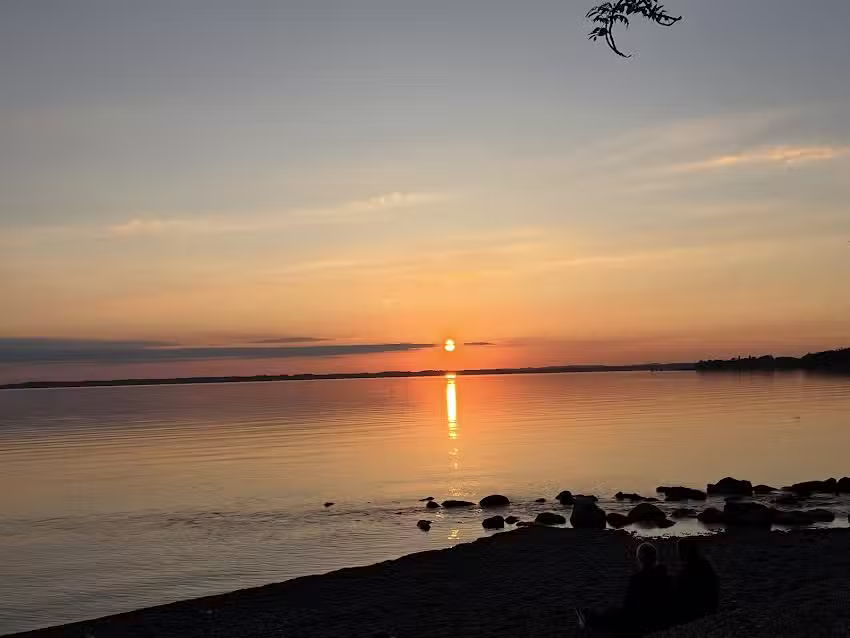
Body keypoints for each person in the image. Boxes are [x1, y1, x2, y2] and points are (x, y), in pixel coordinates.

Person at [576, 542, 673, 637]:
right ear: (655, 557)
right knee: (613, 612)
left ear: (640, 559)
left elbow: (628, 604)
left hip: (643, 620)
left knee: (612, 613)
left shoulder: (637, 579)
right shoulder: (666, 578)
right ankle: (591, 617)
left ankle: (590, 619)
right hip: (659, 618)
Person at [672, 538, 719, 624]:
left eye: (680, 551)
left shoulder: (685, 573)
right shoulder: (706, 567)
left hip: (693, 614)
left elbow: (680, 596)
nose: (678, 554)